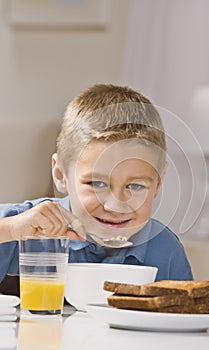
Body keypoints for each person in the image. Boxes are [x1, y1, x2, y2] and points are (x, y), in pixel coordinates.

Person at [0, 84, 193, 295]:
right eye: (97, 184)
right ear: (60, 175)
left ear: (158, 183)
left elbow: (182, 317)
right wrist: (10, 230)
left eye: (135, 186)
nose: (115, 205)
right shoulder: (26, 227)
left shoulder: (165, 250)